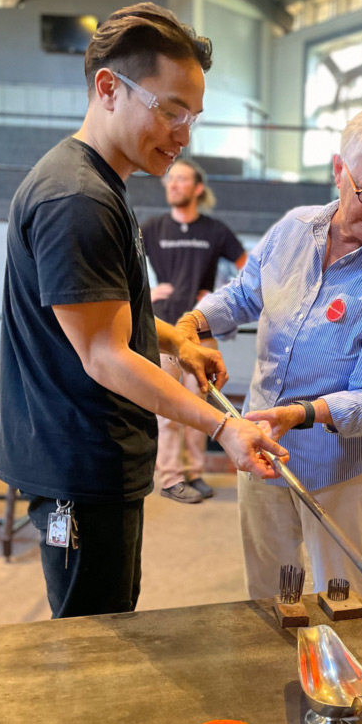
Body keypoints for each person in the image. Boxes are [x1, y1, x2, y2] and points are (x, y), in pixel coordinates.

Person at [0, 2, 287, 620]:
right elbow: (103, 353)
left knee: (112, 618)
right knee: (91, 641)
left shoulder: (101, 185)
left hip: (92, 452)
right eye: (171, 110)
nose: (183, 135)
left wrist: (178, 343)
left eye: (193, 117)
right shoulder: (77, 196)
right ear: (108, 88)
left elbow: (106, 315)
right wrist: (223, 426)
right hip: (78, 464)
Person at [177, 106, 362, 601]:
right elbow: (245, 293)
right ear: (339, 170)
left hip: (343, 466)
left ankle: (341, 679)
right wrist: (192, 323)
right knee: (270, 592)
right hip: (261, 445)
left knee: (339, 600)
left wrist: (300, 413)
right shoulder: (294, 229)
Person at [142, 160, 246, 503]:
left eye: (181, 179)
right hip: (163, 329)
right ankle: (171, 478)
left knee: (199, 406)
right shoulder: (152, 228)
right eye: (170, 179)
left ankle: (196, 474)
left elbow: (250, 271)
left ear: (197, 188)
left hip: (201, 331)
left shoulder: (215, 231)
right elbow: (120, 266)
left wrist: (217, 294)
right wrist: (145, 292)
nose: (173, 184)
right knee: (168, 409)